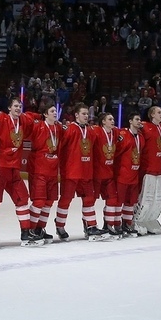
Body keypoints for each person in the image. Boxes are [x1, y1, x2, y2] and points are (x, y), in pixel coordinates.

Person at [0, 98, 42, 247]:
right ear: (9, 108)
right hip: (0, 168)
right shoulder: (0, 118)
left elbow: (36, 117)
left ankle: (25, 233)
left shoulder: (23, 121)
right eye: (15, 106)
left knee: (22, 198)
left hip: (14, 169)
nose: (18, 108)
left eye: (20, 106)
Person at [56, 103, 108, 241]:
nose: (86, 116)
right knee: (66, 200)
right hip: (71, 172)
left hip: (86, 172)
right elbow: (60, 148)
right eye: (83, 114)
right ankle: (60, 225)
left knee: (89, 200)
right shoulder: (69, 129)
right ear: (76, 115)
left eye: (87, 114)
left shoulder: (91, 131)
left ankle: (91, 226)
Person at [27, 99, 62, 243]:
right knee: (39, 201)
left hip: (53, 171)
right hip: (39, 169)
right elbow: (25, 118)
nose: (55, 113)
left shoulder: (58, 128)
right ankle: (31, 229)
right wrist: (37, 116)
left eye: (55, 111)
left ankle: (40, 229)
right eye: (52, 111)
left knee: (49, 202)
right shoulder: (38, 126)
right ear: (45, 114)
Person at [135, 106, 161, 235]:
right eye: (159, 112)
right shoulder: (144, 127)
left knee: (157, 199)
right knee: (145, 197)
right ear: (152, 114)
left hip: (159, 169)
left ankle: (149, 219)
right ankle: (137, 219)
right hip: (147, 168)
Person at [113, 112, 145, 236]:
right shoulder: (123, 135)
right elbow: (116, 154)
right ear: (130, 121)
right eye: (137, 119)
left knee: (130, 202)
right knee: (119, 201)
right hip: (123, 173)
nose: (139, 122)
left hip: (134, 174)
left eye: (140, 119)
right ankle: (116, 224)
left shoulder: (141, 137)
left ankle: (127, 223)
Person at [91, 112, 121, 237]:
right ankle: (89, 226)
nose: (113, 121)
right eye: (110, 119)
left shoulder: (116, 133)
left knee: (112, 199)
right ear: (103, 122)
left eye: (113, 119)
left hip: (109, 174)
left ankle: (108, 225)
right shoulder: (96, 132)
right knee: (90, 201)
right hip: (96, 174)